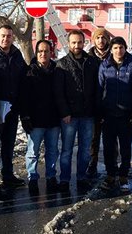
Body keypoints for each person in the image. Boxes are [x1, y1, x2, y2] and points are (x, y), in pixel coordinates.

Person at [54, 30, 98, 192]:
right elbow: (58, 92)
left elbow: (97, 88)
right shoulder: (62, 64)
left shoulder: (92, 63)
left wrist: (95, 109)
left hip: (87, 114)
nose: (77, 45)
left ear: (84, 42)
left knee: (85, 150)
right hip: (69, 116)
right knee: (66, 150)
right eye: (73, 42)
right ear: (68, 43)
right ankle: (64, 179)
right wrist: (64, 112)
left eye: (79, 42)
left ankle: (81, 177)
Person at [97, 37, 132, 193]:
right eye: (115, 48)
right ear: (111, 49)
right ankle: (110, 175)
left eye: (121, 47)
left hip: (125, 114)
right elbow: (99, 89)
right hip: (108, 114)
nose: (118, 51)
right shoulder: (104, 65)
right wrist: (100, 111)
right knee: (109, 147)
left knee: (125, 147)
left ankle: (123, 175)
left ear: (125, 48)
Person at [0, 24, 28, 187]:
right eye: (3, 35)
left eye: (9, 36)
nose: (6, 39)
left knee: (9, 144)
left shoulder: (17, 55)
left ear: (13, 38)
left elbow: (24, 80)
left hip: (13, 108)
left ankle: (8, 175)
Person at [19, 40, 60, 194]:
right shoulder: (29, 71)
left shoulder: (57, 70)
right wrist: (25, 117)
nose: (43, 54)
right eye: (40, 51)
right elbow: (23, 97)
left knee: (52, 151)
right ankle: (32, 178)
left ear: (51, 52)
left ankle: (51, 177)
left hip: (53, 119)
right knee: (32, 152)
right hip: (35, 120)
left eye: (46, 51)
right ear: (36, 53)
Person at [87, 28, 112, 178]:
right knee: (93, 138)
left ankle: (112, 166)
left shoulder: (114, 55)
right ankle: (92, 164)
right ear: (93, 40)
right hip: (93, 104)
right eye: (98, 38)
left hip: (111, 104)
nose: (101, 41)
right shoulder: (88, 58)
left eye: (103, 38)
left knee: (110, 139)